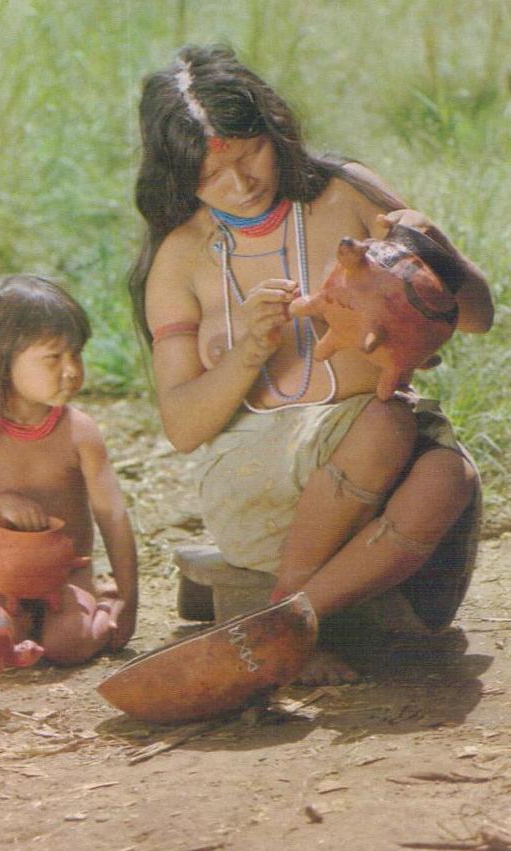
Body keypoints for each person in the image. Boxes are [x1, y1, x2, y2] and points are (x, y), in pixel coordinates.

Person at [129, 45, 494, 683]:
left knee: (449, 478)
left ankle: (291, 615)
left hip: (387, 471)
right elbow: (183, 427)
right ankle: (296, 605)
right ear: (176, 174)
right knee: (385, 423)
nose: (240, 183)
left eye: (251, 153)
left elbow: (474, 316)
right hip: (262, 483)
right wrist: (246, 352)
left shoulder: (348, 192)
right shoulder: (180, 257)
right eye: (214, 174)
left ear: (276, 129)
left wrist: (437, 253)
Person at [0, 274, 138, 665]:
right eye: (53, 358)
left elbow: (113, 515)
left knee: (68, 647)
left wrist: (128, 599)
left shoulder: (79, 431)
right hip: (1, 583)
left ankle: (99, 602)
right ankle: (24, 630)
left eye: (76, 354)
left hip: (66, 577)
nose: (72, 370)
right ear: (1, 360)